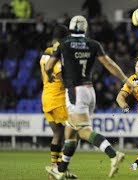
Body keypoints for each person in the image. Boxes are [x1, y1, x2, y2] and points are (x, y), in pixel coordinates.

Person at [45, 15, 133, 179]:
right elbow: (109, 64)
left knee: (84, 131)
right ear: (85, 29)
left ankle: (113, 154)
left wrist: (49, 75)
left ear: (70, 28)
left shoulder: (63, 44)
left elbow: (49, 66)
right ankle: (61, 169)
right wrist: (126, 80)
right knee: (70, 132)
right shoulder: (93, 44)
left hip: (75, 92)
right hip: (89, 91)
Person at [39, 24, 77, 179]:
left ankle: (56, 168)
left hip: (47, 96)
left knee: (58, 133)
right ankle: (61, 167)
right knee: (74, 132)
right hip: (59, 98)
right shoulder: (58, 52)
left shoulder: (45, 53)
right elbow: (60, 73)